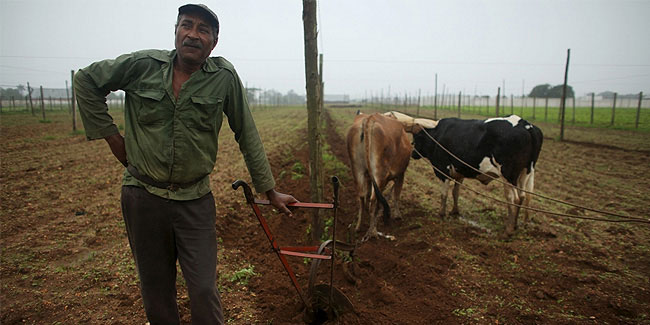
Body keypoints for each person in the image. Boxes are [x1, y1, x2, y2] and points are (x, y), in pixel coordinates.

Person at [74, 4, 297, 324]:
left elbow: (246, 133)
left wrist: (270, 191)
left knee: (204, 289)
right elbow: (86, 80)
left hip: (195, 201)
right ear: (176, 31)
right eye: (186, 25)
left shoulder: (223, 77)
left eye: (203, 30)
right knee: (156, 291)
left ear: (214, 42)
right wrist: (111, 137)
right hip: (143, 196)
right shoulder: (142, 65)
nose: (193, 34)